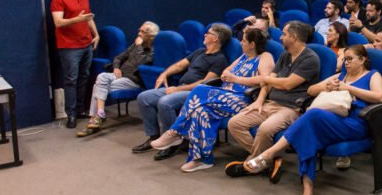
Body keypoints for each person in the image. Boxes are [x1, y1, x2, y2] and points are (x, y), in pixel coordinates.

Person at [242, 45, 382, 195]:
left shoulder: (372, 75)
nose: (346, 62)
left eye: (350, 59)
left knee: (312, 115)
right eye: (344, 59)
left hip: (357, 122)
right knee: (308, 135)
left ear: (362, 60)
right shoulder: (341, 76)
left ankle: (268, 154)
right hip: (333, 119)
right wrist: (328, 86)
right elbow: (311, 90)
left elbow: (379, 97)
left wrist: (349, 88)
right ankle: (307, 194)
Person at [148, 28, 275, 172]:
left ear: (252, 44)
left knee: (199, 89)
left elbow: (265, 79)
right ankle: (202, 159)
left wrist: (236, 79)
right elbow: (226, 70)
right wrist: (227, 74)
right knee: (200, 111)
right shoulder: (244, 56)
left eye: (244, 40)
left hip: (242, 98)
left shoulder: (265, 56)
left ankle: (175, 132)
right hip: (225, 95)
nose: (240, 43)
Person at [225, 21, 320, 177]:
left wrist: (267, 79)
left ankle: (253, 163)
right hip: (270, 103)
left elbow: (288, 84)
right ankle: (269, 158)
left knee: (264, 129)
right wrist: (259, 101)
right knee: (235, 123)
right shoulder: (285, 54)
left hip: (291, 108)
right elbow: (270, 81)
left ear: (294, 37)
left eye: (284, 34)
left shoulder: (310, 58)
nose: (280, 38)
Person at [132, 23, 230, 160]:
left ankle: (172, 141)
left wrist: (177, 89)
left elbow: (204, 84)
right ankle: (153, 136)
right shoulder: (200, 52)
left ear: (215, 38)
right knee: (144, 97)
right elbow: (180, 65)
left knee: (165, 102)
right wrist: (164, 74)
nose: (205, 34)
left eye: (209, 33)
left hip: (196, 93)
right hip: (180, 88)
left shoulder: (220, 59)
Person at [76, 21, 159, 137]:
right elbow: (118, 57)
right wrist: (116, 68)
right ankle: (99, 115)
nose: (139, 34)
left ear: (151, 36)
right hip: (119, 76)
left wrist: (139, 46)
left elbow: (141, 65)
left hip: (133, 80)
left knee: (98, 86)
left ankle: (95, 118)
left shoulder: (153, 51)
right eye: (139, 30)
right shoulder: (135, 45)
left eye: (143, 32)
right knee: (101, 77)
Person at [51, 0, 100, 129]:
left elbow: (88, 18)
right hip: (69, 47)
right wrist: (77, 19)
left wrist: (96, 34)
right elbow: (58, 22)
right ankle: (71, 114)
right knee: (71, 80)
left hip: (86, 44)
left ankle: (80, 110)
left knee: (84, 78)